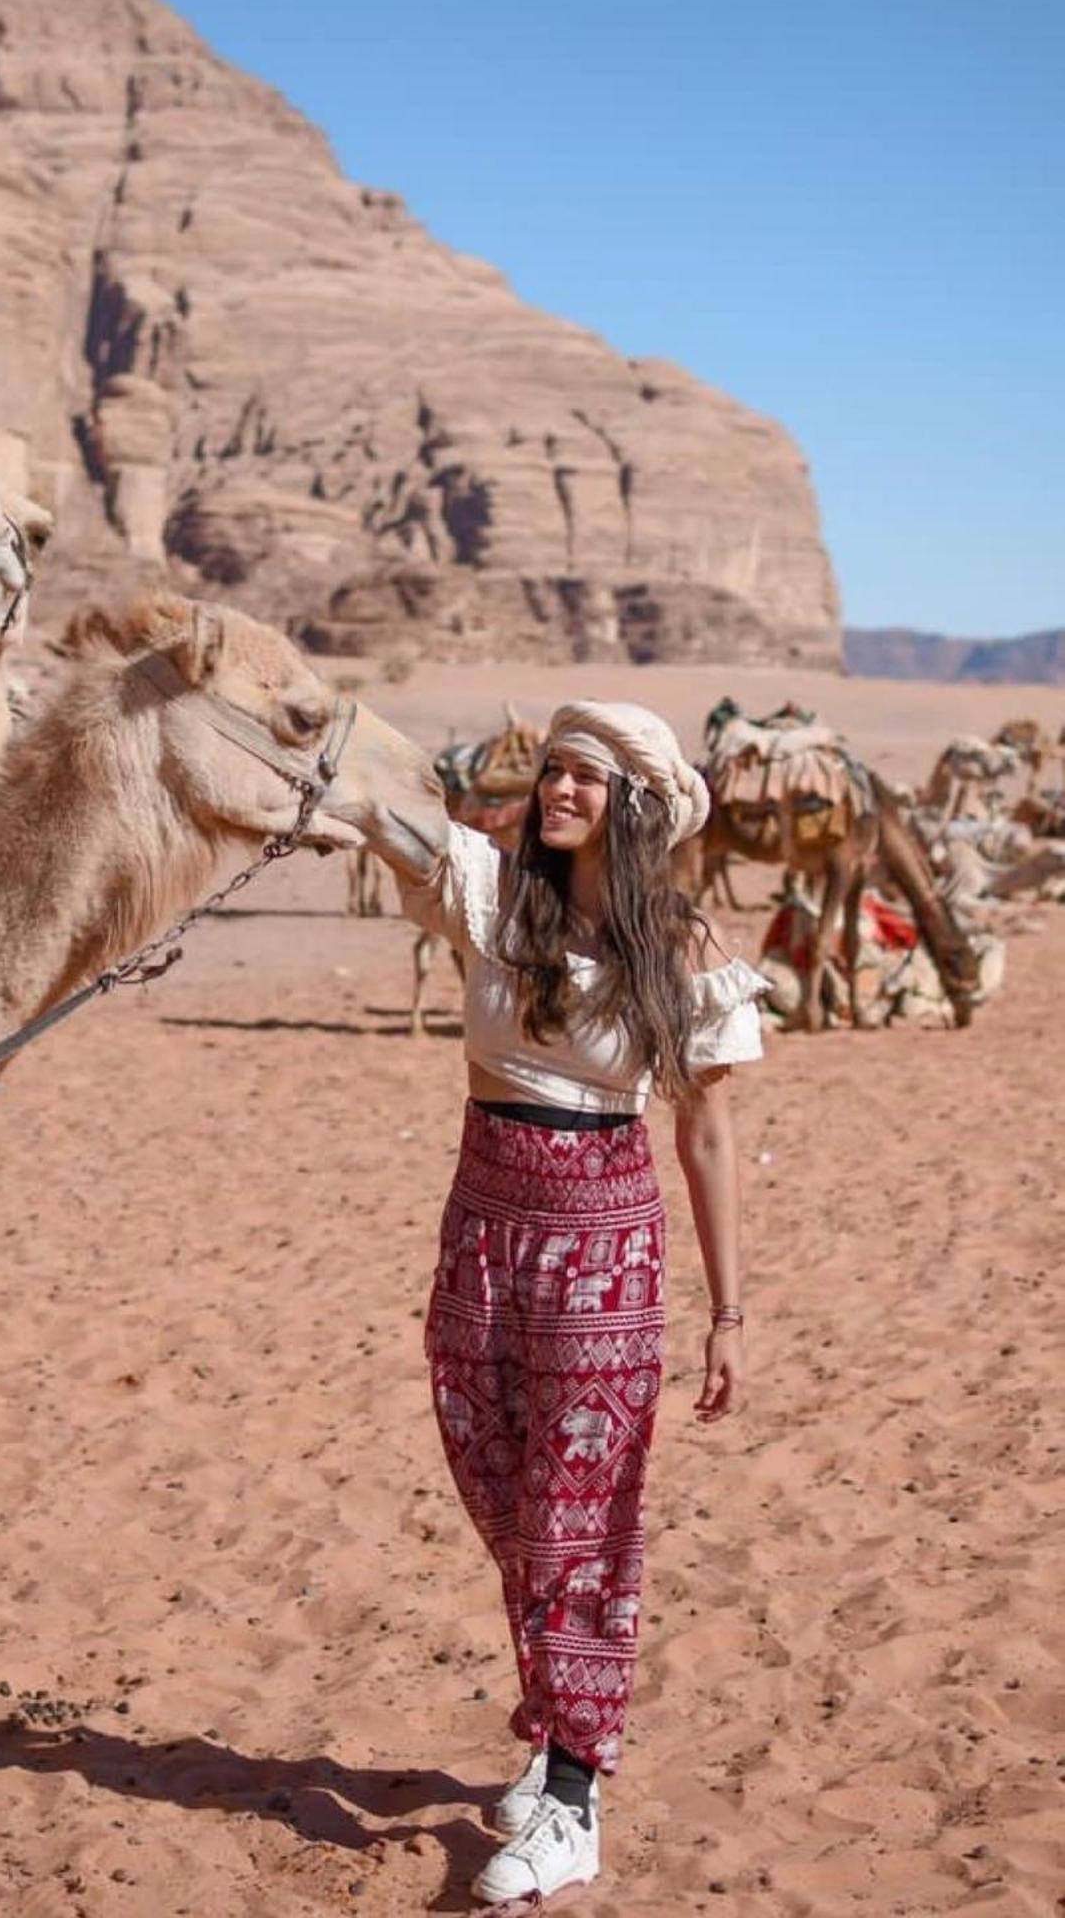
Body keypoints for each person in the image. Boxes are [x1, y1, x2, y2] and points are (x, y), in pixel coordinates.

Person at [386, 699, 766, 1904]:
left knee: (580, 1517)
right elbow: (380, 807)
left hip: (604, 1242)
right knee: (496, 1480)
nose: (558, 790)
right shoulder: (492, 897)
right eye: (551, 769)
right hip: (482, 1225)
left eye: (585, 778)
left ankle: (573, 1787)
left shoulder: (678, 946)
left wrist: (729, 1312)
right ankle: (558, 1718)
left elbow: (707, 1135)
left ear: (634, 803)